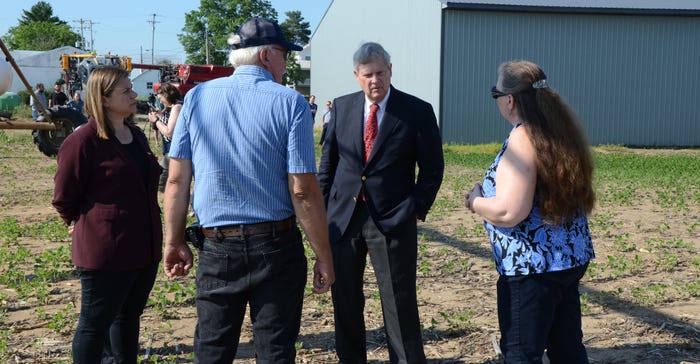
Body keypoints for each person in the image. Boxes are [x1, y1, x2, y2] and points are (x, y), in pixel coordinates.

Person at [162, 17, 335, 363]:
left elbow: (177, 180)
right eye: (285, 55)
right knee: (274, 349)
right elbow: (302, 191)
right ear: (268, 56)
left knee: (212, 349)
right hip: (275, 245)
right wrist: (324, 256)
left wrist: (173, 241)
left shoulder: (195, 98)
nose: (286, 64)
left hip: (217, 245)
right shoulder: (291, 103)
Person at [318, 42, 444, 363]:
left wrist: (415, 207)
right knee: (345, 300)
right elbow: (328, 166)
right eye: (368, 74)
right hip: (343, 220)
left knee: (398, 300)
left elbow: (432, 168)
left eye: (381, 73)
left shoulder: (416, 111)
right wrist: (321, 214)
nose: (375, 80)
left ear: (390, 71)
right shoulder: (342, 109)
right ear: (357, 76)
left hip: (392, 219)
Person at [465, 60, 595, 363]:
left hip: (531, 267)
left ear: (509, 100)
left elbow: (511, 211)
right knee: (567, 350)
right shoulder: (558, 131)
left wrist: (475, 201)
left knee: (522, 353)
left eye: (495, 94)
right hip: (566, 260)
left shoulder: (523, 138)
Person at [51, 65, 163, 363]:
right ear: (102, 98)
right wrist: (80, 222)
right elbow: (64, 196)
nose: (133, 94)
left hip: (144, 245)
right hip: (106, 250)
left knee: (128, 316)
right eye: (125, 90)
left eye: (131, 88)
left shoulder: (136, 135)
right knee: (95, 322)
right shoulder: (83, 141)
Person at [148, 83, 182, 192]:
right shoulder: (173, 107)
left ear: (166, 95)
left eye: (160, 98)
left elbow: (169, 132)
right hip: (170, 149)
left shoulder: (177, 107)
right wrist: (160, 115)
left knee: (161, 179)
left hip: (173, 150)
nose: (160, 101)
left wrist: (156, 121)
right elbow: (170, 124)